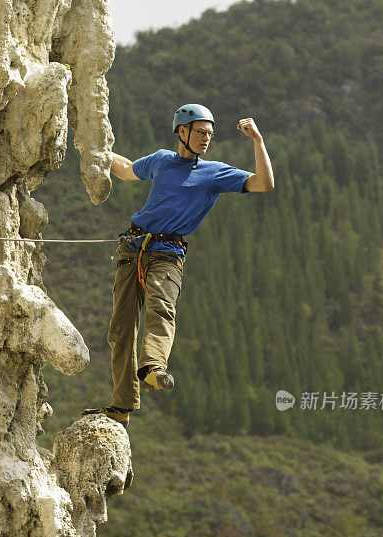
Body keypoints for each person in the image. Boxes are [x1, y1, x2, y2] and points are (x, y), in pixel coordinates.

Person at [83, 104, 274, 428]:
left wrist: (257, 140)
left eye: (209, 134)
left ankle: (153, 368)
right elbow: (127, 169)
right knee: (120, 329)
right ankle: (121, 405)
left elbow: (263, 183)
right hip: (133, 248)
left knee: (162, 304)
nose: (205, 139)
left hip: (169, 253)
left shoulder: (213, 172)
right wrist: (94, 150)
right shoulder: (161, 161)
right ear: (181, 132)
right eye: (200, 132)